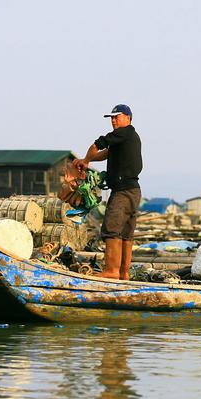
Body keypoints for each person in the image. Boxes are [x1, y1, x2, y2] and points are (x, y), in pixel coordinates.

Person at [73, 104, 142, 279]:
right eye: (111, 118)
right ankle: (123, 274)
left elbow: (97, 145)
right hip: (133, 190)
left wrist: (86, 162)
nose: (113, 120)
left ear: (128, 118)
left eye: (116, 117)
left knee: (111, 229)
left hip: (123, 191)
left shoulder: (124, 132)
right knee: (126, 233)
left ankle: (111, 271)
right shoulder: (127, 138)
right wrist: (86, 159)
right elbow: (105, 153)